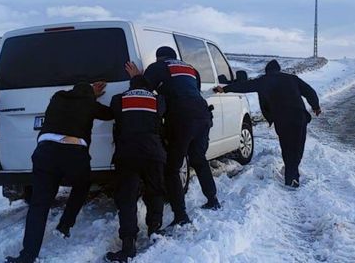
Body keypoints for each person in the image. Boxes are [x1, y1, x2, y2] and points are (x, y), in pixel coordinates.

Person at [5, 81, 112, 263]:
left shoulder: (58, 97)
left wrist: (88, 95)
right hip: (74, 153)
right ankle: (65, 224)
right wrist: (93, 98)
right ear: (91, 94)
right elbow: (109, 114)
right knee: (82, 185)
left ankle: (27, 255)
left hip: (45, 152)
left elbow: (76, 98)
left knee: (39, 205)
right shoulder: (90, 104)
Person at [125, 46, 219, 229]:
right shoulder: (191, 69)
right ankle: (213, 199)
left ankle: (181, 215)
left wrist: (137, 76)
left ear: (159, 57)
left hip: (182, 118)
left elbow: (143, 91)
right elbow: (193, 91)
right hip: (203, 115)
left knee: (172, 169)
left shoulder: (158, 67)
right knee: (199, 159)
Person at [215, 59, 320, 188]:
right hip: (299, 117)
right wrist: (316, 106)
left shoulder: (263, 81)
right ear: (278, 69)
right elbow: (310, 91)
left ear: (267, 71)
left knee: (287, 147)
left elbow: (244, 86)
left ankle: (291, 176)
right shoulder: (292, 79)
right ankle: (292, 173)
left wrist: (224, 89)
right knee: (298, 146)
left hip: (282, 120)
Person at [105, 75, 167, 262]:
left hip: (127, 154)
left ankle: (128, 244)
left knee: (127, 197)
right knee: (155, 191)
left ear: (130, 86)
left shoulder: (118, 99)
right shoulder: (158, 100)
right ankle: (154, 230)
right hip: (153, 153)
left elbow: (114, 115)